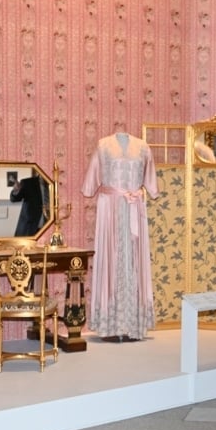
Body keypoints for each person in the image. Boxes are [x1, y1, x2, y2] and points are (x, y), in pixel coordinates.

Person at [82, 132, 160, 342]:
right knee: (111, 260)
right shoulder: (103, 144)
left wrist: (144, 192)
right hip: (110, 209)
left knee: (134, 261)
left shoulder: (143, 147)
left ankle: (133, 323)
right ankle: (111, 324)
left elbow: (151, 184)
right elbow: (90, 185)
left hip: (135, 207)